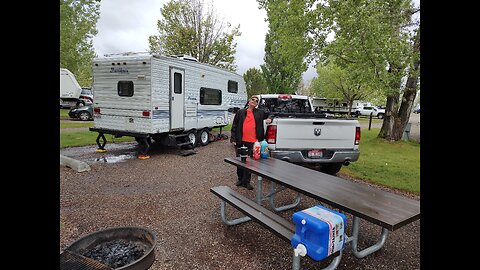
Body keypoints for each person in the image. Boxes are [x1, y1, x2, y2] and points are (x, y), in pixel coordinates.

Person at [230, 96, 272, 190]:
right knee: (240, 161)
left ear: (257, 104)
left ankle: (247, 182)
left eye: (257, 101)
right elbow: (234, 126)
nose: (255, 101)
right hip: (241, 141)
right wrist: (233, 139)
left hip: (253, 142)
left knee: (249, 162)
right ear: (249, 101)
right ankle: (240, 179)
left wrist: (270, 119)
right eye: (253, 99)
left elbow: (270, 114)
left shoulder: (260, 112)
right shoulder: (241, 112)